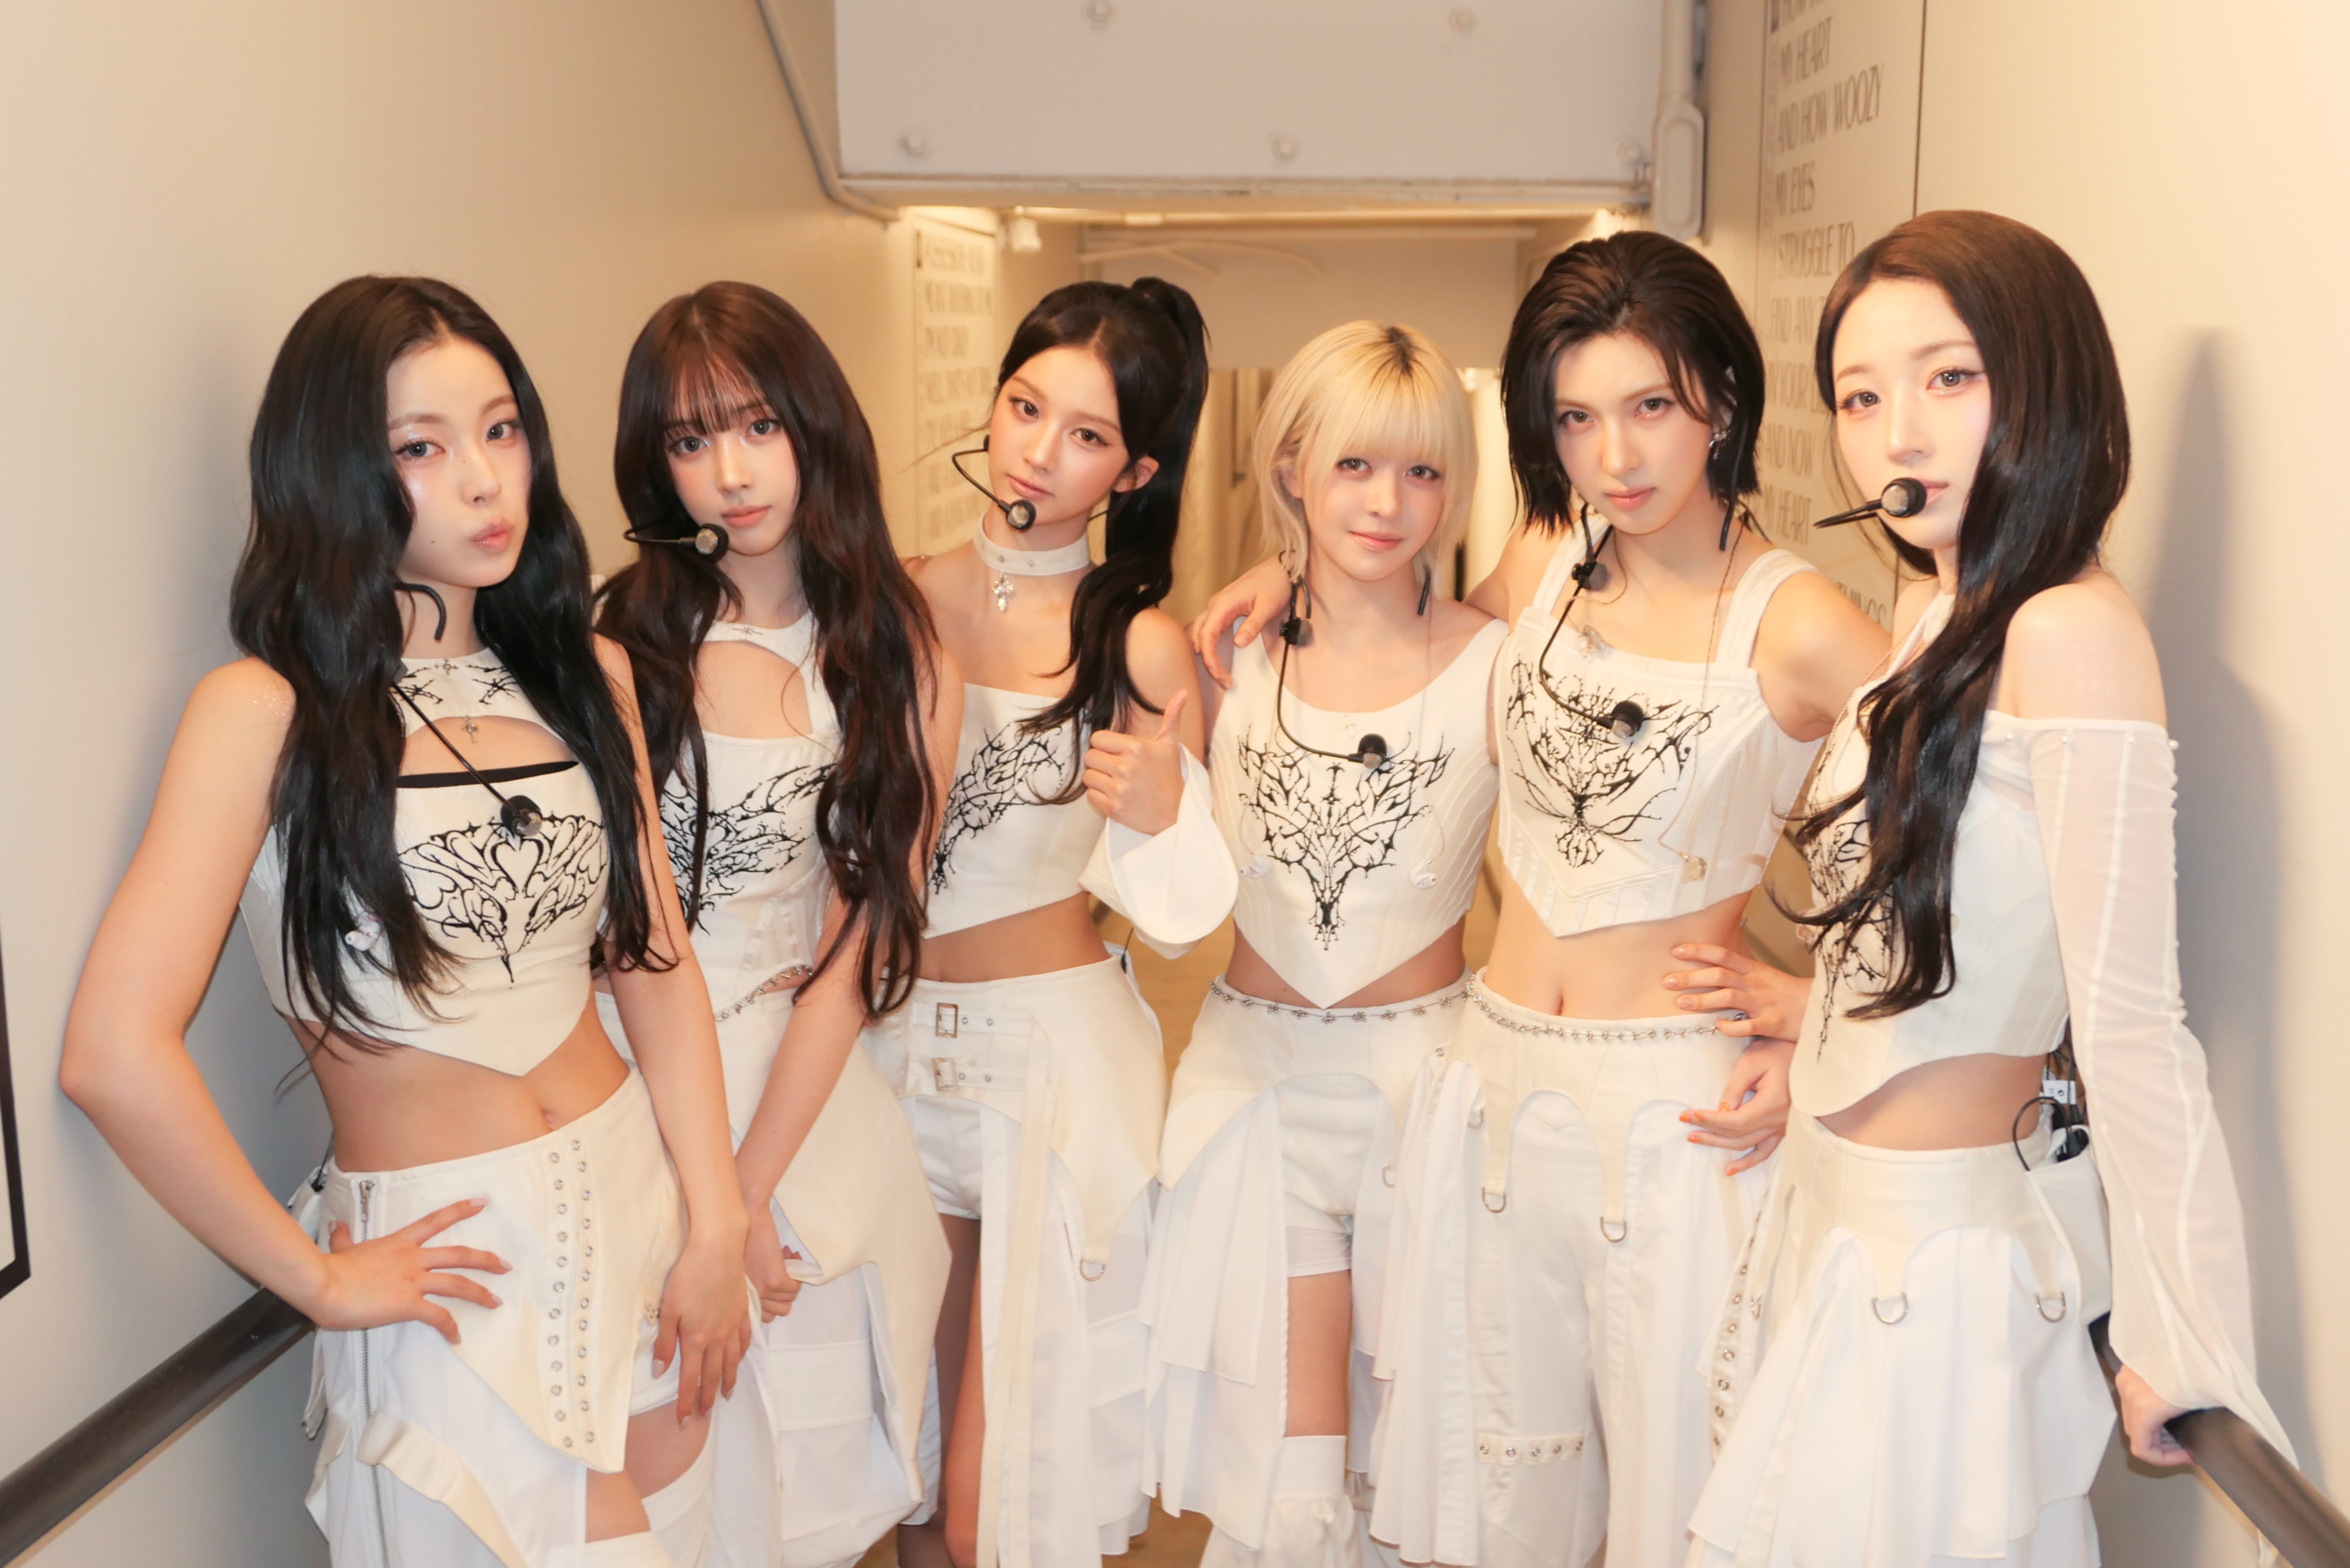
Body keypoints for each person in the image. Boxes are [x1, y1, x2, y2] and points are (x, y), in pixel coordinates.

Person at [1189, 234, 1886, 1567]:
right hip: (1487, 1089)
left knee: (1673, 1505)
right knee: (1485, 1506)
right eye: (1574, 418)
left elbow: (1959, 832)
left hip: (1675, 1117)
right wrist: (1285, 573)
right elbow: (1402, 629)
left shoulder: (1795, 621)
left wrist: (1821, 1013)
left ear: (1720, 403)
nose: (1613, 455)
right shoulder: (1546, 562)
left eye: (1649, 406)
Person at [60, 276, 749, 1568]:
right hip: (452, 1269)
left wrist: (716, 1220)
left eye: (501, 429)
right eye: (421, 449)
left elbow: (655, 967)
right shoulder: (263, 713)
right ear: (334, 473)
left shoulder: (586, 673)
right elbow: (111, 1051)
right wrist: (315, 1276)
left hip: (644, 1214)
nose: (486, 480)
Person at [1683, 209, 2293, 1566]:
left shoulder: (2067, 632)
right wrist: (1807, 1032)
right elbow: (1934, 912)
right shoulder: (1932, 617)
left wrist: (2186, 1331)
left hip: (1945, 1267)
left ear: (2043, 382)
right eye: (1858, 396)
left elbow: (2129, 1021)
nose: (1896, 434)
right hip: (1838, 1219)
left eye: (1948, 377)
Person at [594, 282, 960, 1568]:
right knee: (647, 1501)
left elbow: (858, 958)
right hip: (623, 1085)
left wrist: (742, 1198)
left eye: (757, 425)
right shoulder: (616, 637)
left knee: (791, 1498)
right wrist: (701, 1202)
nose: (731, 473)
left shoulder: (896, 650)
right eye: (690, 440)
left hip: (791, 1097)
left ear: (814, 424)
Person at [874, 278, 1235, 1568]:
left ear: (1132, 471)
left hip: (1050, 1071)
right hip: (885, 1052)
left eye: (1086, 435)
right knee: (912, 1480)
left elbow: (1184, 919)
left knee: (1001, 1505)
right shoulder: (890, 596)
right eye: (1025, 407)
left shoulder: (1137, 643)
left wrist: (1162, 809)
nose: (1037, 451)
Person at [1145, 321, 1501, 1568]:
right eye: (1354, 465)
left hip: (1430, 1093)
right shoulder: (1219, 656)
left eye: (1422, 471)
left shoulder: (1499, 660)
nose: (1388, 504)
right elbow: (1174, 897)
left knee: (1419, 1482)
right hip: (1256, 1094)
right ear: (1292, 465)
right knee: (1287, 1486)